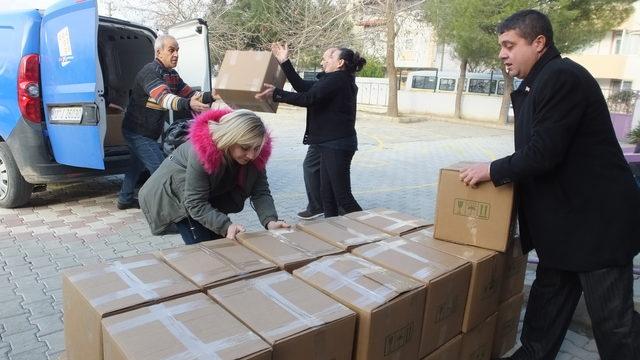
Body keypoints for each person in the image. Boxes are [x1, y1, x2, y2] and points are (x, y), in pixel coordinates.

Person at [459, 10, 640, 360]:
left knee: (613, 325)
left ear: (539, 43)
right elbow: (537, 150)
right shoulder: (538, 82)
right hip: (564, 229)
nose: (502, 54)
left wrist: (492, 171)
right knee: (544, 316)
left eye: (510, 45)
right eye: (501, 46)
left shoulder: (561, 77)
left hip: (597, 228)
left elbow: (543, 153)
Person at [138, 108, 290, 244]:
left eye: (257, 148)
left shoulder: (257, 154)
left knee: (221, 244)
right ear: (229, 139)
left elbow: (261, 191)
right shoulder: (202, 153)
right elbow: (195, 203)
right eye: (245, 148)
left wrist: (270, 221)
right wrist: (226, 226)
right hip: (176, 196)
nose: (251, 155)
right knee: (205, 250)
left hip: (207, 196)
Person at [256, 44, 366, 218]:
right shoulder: (332, 80)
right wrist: (284, 61)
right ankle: (332, 230)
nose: (323, 61)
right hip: (328, 142)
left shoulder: (338, 80)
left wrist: (277, 94)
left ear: (340, 63)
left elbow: (309, 98)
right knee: (327, 194)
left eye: (328, 57)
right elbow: (301, 86)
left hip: (336, 144)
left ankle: (371, 228)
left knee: (342, 196)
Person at [117, 34, 211, 210]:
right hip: (137, 132)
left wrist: (213, 95)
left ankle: (124, 199)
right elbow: (164, 98)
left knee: (136, 165)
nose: (176, 54)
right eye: (171, 50)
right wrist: (188, 104)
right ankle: (169, 212)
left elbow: (191, 95)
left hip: (147, 132)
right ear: (159, 52)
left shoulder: (172, 75)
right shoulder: (149, 72)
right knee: (162, 171)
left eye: (177, 50)